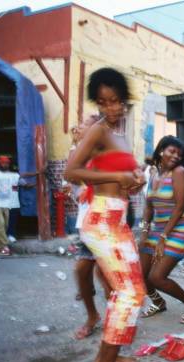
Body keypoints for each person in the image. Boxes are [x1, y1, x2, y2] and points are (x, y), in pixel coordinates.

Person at [65, 67, 146, 362]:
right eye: (103, 102)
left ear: (124, 101)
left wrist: (133, 183)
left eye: (115, 102)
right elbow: (72, 172)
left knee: (125, 291)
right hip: (100, 221)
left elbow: (122, 182)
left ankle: (106, 356)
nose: (110, 108)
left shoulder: (121, 134)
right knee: (130, 293)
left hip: (118, 218)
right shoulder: (97, 131)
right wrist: (118, 178)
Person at [138, 136, 184, 324]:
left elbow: (180, 206)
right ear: (161, 151)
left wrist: (163, 238)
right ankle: (158, 302)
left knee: (156, 277)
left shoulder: (179, 172)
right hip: (158, 229)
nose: (175, 156)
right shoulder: (154, 174)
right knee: (141, 273)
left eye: (179, 154)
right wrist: (144, 233)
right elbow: (148, 207)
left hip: (179, 229)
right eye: (172, 151)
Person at [69, 115, 112, 340]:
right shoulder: (81, 153)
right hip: (86, 223)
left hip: (105, 225)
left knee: (106, 278)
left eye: (85, 124)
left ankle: (115, 325)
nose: (79, 126)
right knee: (83, 271)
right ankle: (93, 316)